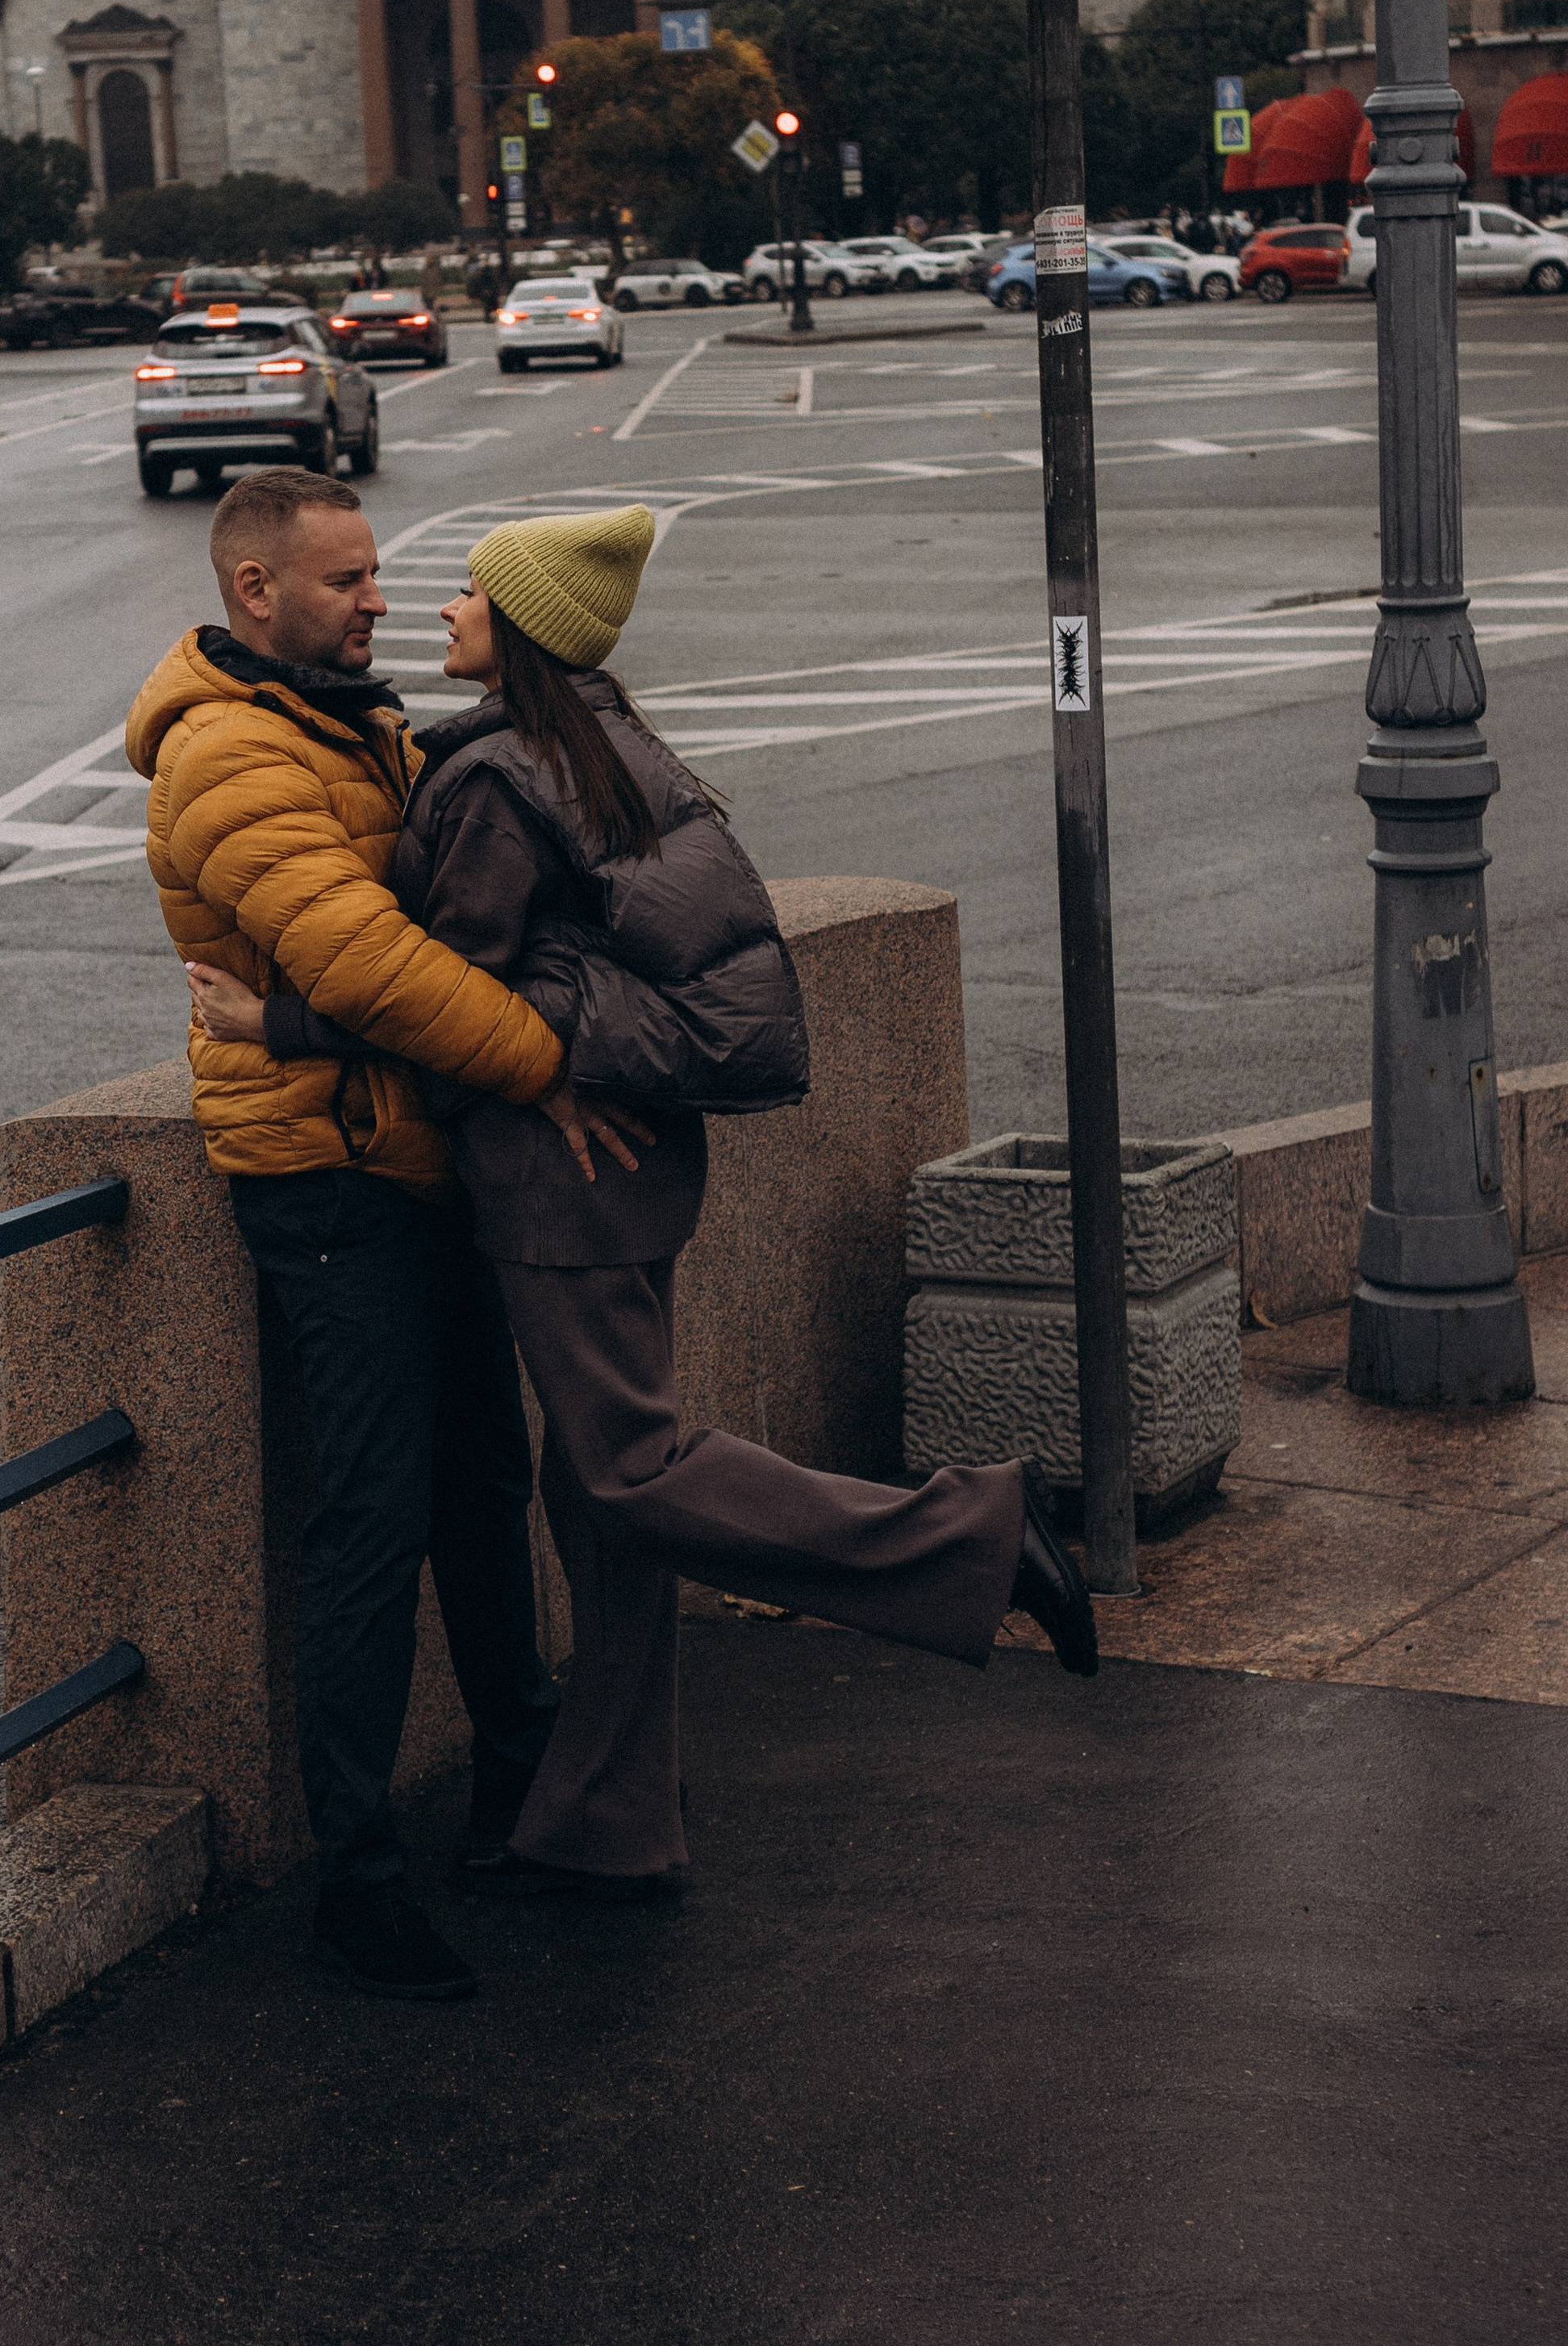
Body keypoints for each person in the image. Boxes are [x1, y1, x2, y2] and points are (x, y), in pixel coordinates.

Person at [192, 507, 1099, 1906]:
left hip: (562, 1186)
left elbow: (449, 998)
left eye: (470, 594)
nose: (433, 608)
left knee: (628, 1468)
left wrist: (280, 1025)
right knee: (598, 1500)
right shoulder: (601, 742)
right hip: (630, 1172)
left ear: (526, 629)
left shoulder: (494, 781)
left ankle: (973, 1535)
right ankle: (606, 1817)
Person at [127, 470, 637, 2002]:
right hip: (332, 1186)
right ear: (256, 595)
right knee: (369, 1521)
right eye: (347, 581)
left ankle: (524, 1796)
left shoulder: (352, 720)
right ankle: (357, 1882)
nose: (379, 602)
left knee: (482, 1488)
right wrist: (547, 1072)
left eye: (377, 575)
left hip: (416, 1160)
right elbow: (375, 965)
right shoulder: (226, 756)